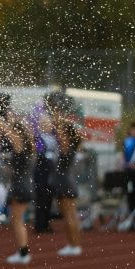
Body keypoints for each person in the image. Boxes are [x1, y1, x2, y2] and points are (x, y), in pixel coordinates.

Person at [0, 94, 35, 265]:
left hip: (20, 186)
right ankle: (22, 250)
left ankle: (24, 252)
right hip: (21, 183)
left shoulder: (20, 144)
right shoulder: (25, 149)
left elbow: (8, 131)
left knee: (17, 220)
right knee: (17, 220)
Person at [45, 92, 83, 256]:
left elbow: (60, 130)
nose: (58, 137)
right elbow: (60, 130)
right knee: (70, 214)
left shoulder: (67, 148)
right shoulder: (69, 147)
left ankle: (74, 245)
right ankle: (74, 244)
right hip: (65, 180)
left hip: (64, 181)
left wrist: (54, 113)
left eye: (62, 135)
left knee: (68, 214)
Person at [33, 114, 57, 233]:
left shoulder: (54, 138)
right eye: (45, 124)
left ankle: (46, 223)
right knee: (41, 198)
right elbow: (39, 153)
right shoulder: (38, 137)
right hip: (42, 171)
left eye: (48, 124)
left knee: (48, 198)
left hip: (51, 171)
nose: (47, 126)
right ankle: (40, 224)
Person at [122, 122, 135, 215]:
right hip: (129, 172)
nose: (134, 131)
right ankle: (131, 214)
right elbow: (125, 157)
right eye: (132, 130)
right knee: (130, 193)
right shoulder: (127, 141)